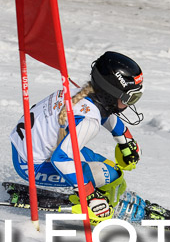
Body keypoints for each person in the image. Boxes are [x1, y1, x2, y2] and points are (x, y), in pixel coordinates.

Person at [9, 51, 144, 220]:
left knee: (106, 165)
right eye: (130, 98)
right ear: (111, 94)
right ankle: (98, 207)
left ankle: (109, 194)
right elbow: (61, 158)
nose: (129, 104)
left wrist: (126, 141)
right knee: (112, 174)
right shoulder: (88, 122)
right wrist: (90, 195)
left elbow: (105, 115)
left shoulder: (82, 93)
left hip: (30, 148)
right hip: (32, 166)